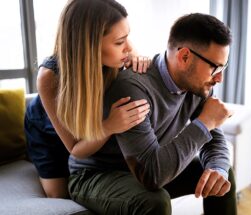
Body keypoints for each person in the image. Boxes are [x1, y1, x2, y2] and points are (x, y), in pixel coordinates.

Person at [68, 12, 237, 215]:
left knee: (221, 175)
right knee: (155, 201)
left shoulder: (199, 85)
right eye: (215, 67)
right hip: (96, 175)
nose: (219, 78)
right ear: (184, 57)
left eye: (223, 66)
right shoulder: (133, 89)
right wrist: (204, 122)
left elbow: (213, 139)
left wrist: (217, 168)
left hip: (144, 167)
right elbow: (151, 175)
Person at [24, 0, 151, 199]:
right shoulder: (49, 77)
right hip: (47, 129)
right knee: (60, 198)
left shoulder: (121, 51)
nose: (128, 47)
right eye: (119, 42)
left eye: (127, 37)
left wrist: (142, 61)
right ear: (89, 44)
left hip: (88, 123)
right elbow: (75, 149)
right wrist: (108, 126)